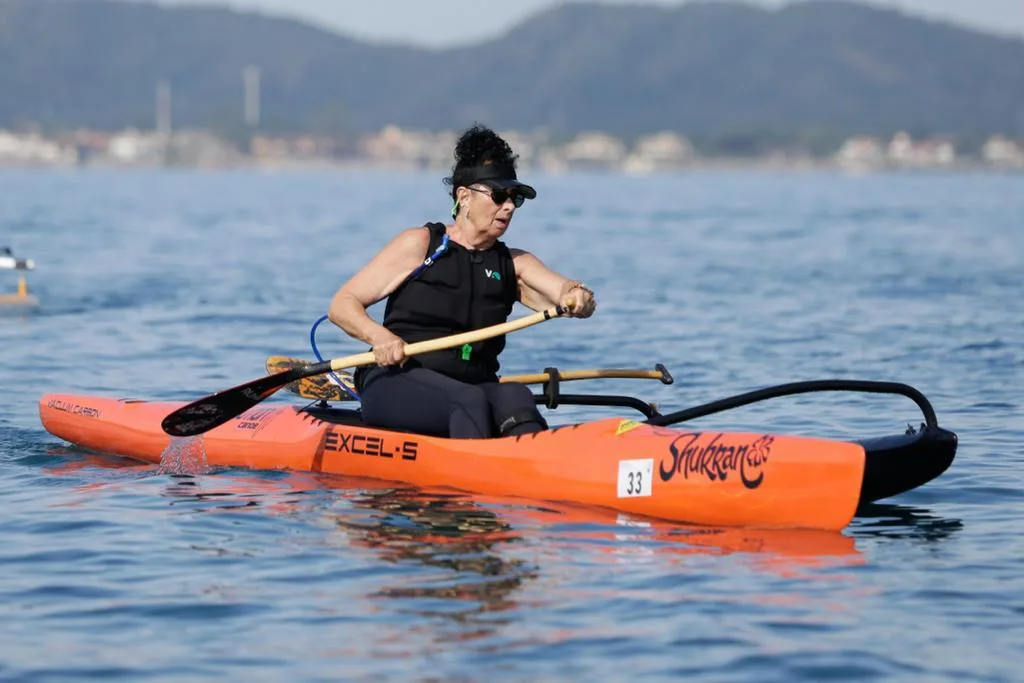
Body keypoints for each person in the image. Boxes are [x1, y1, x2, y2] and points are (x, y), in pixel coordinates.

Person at [328, 124, 596, 439]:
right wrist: (380, 338)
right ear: (463, 196)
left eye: (514, 199)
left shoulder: (513, 264)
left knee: (516, 397)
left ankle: (545, 473)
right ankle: (472, 484)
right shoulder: (421, 244)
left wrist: (579, 298)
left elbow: (565, 291)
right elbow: (342, 305)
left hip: (474, 388)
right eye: (498, 195)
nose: (508, 206)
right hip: (396, 379)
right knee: (469, 402)